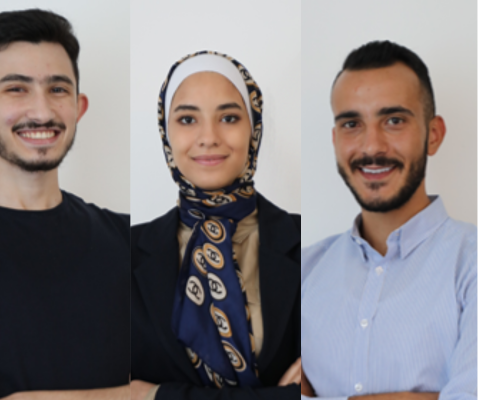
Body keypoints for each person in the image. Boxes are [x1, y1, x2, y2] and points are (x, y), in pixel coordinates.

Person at [0, 9, 130, 400]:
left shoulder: (128, 239)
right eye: (16, 88)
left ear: (79, 106)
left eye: (57, 89)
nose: (42, 112)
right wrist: (137, 394)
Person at [301, 41, 477, 400]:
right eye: (352, 123)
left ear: (434, 134)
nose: (371, 146)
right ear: (335, 140)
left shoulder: (471, 261)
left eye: (394, 120)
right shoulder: (301, 271)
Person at [130, 51, 301, 400]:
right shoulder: (123, 251)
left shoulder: (311, 244)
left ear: (253, 127)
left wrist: (155, 396)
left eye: (228, 117)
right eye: (188, 120)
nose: (208, 137)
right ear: (166, 131)